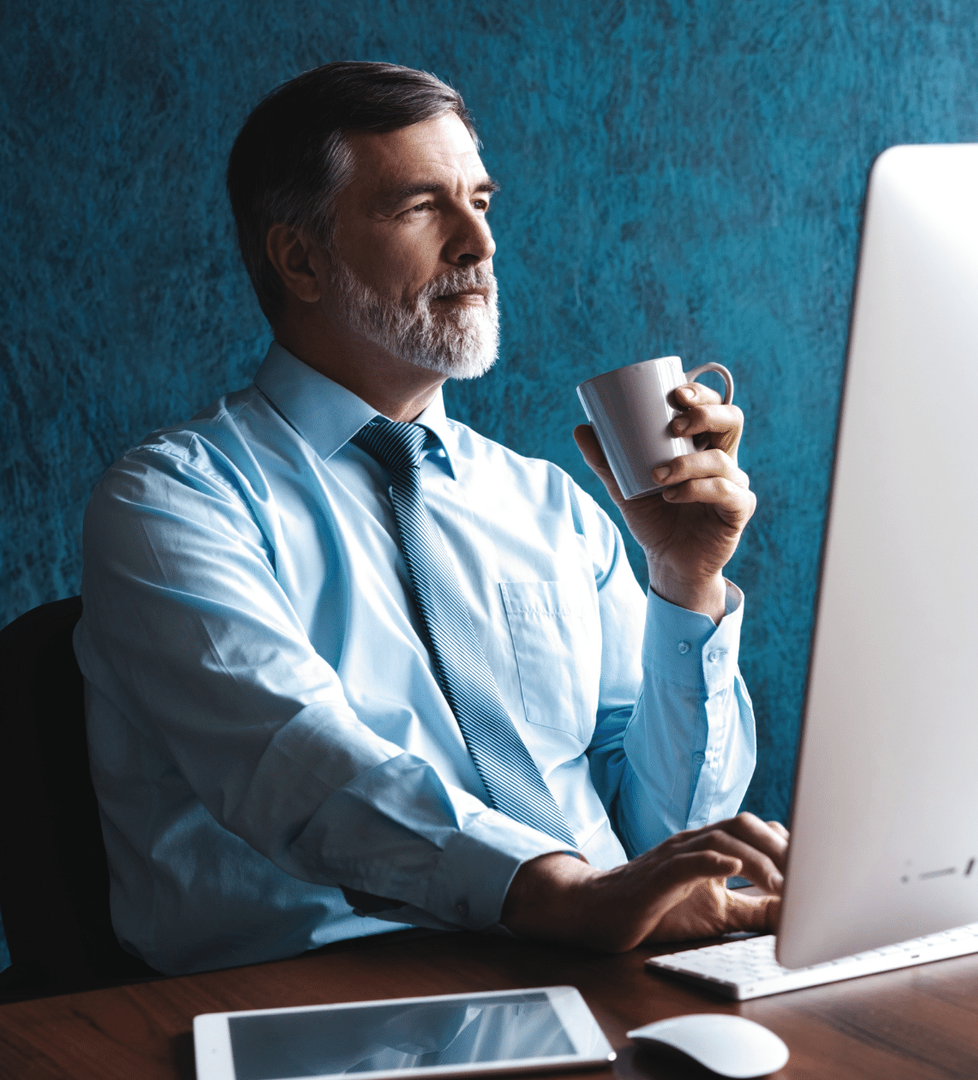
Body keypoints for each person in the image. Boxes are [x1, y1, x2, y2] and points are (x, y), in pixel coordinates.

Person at [74, 61, 785, 975]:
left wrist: (686, 585)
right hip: (333, 994)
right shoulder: (173, 504)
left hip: (609, 961)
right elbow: (301, 764)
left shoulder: (552, 507)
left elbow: (664, 836)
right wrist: (559, 893)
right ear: (299, 258)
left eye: (480, 200)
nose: (477, 243)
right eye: (419, 207)